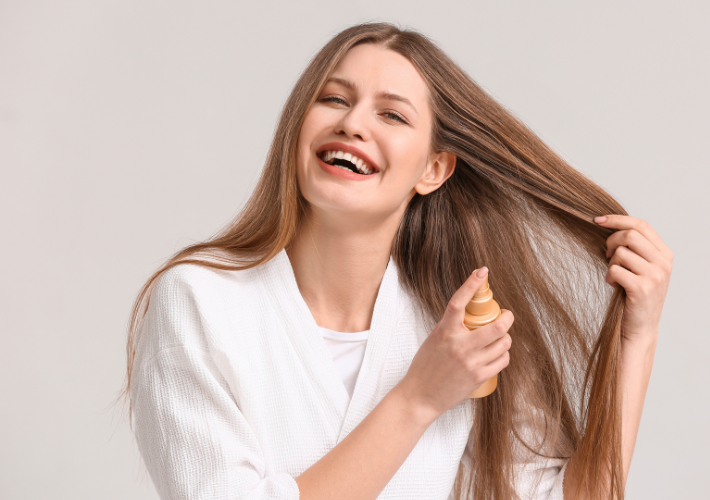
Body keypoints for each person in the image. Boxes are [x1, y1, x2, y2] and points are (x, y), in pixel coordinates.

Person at [120, 22, 673, 500]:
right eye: (333, 99)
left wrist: (637, 338)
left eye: (392, 115)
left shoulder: (457, 328)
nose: (353, 123)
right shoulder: (198, 302)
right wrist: (418, 398)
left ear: (433, 169)